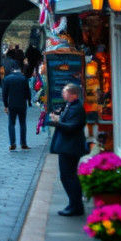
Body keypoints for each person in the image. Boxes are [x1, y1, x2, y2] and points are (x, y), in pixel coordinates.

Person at [48, 82, 88, 215]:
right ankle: (73, 204)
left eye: (65, 92)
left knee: (69, 177)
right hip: (67, 146)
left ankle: (76, 206)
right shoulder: (71, 106)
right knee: (67, 176)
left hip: (71, 147)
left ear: (73, 94)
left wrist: (56, 123)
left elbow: (71, 127)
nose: (63, 94)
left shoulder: (76, 108)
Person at [1, 63, 31, 150]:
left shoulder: (7, 79)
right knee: (22, 123)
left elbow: (4, 94)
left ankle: (12, 143)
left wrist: (5, 105)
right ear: (20, 70)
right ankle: (23, 143)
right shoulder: (23, 78)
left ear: (12, 70)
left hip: (12, 104)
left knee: (11, 123)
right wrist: (28, 101)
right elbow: (27, 92)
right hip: (22, 104)